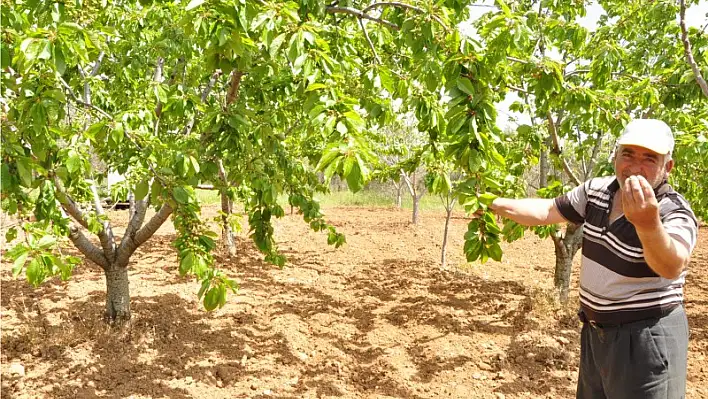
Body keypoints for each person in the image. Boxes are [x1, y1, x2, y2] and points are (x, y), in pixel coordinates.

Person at [489, 119, 698, 399]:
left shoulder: (673, 211)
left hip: (646, 337)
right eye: (628, 155)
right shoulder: (597, 191)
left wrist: (648, 225)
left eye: (649, 159)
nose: (635, 167)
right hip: (596, 333)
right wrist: (493, 204)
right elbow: (547, 210)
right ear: (615, 156)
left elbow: (671, 265)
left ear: (667, 167)